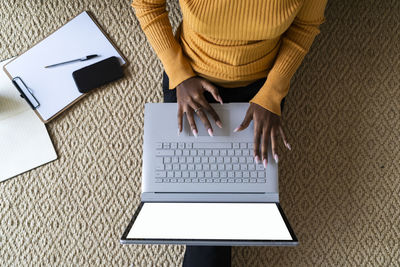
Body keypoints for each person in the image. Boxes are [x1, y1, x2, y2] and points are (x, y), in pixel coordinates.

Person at [132, 0, 327, 266]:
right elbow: (146, 4)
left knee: (230, 193)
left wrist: (272, 94)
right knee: (205, 200)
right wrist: (178, 73)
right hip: (191, 80)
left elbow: (305, 26)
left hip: (261, 87)